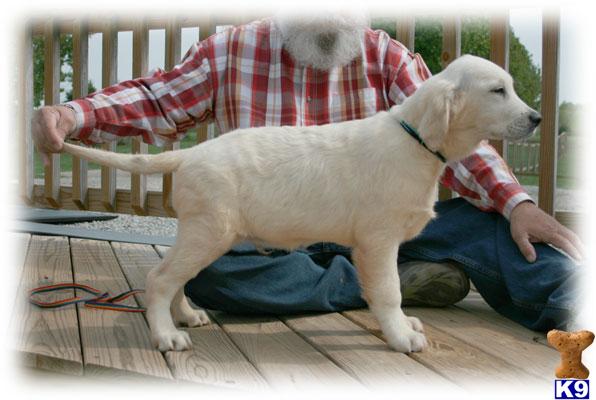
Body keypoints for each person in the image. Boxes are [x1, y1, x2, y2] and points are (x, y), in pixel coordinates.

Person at [32, 13, 584, 331]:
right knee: (215, 270)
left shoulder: (385, 55)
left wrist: (518, 203)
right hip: (277, 233)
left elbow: (459, 135)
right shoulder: (231, 49)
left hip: (380, 219)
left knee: (494, 229)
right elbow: (155, 99)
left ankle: (574, 302)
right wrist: (72, 114)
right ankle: (382, 286)